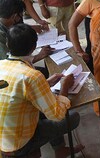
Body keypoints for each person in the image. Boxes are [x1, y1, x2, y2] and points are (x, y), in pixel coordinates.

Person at [0, 24, 84, 158]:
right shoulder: (32, 76)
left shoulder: (2, 65)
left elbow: (18, 90)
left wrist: (46, 83)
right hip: (19, 143)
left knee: (45, 105)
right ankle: (55, 149)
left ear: (7, 43)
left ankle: (60, 149)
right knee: (72, 118)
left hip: (4, 136)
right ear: (34, 47)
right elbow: (57, 115)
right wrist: (64, 88)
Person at [0, 0, 52, 77]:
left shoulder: (5, 24)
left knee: (44, 72)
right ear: (14, 16)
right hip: (6, 75)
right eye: (21, 16)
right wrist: (38, 56)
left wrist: (32, 28)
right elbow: (10, 64)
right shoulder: (1, 36)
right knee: (41, 74)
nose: (21, 20)